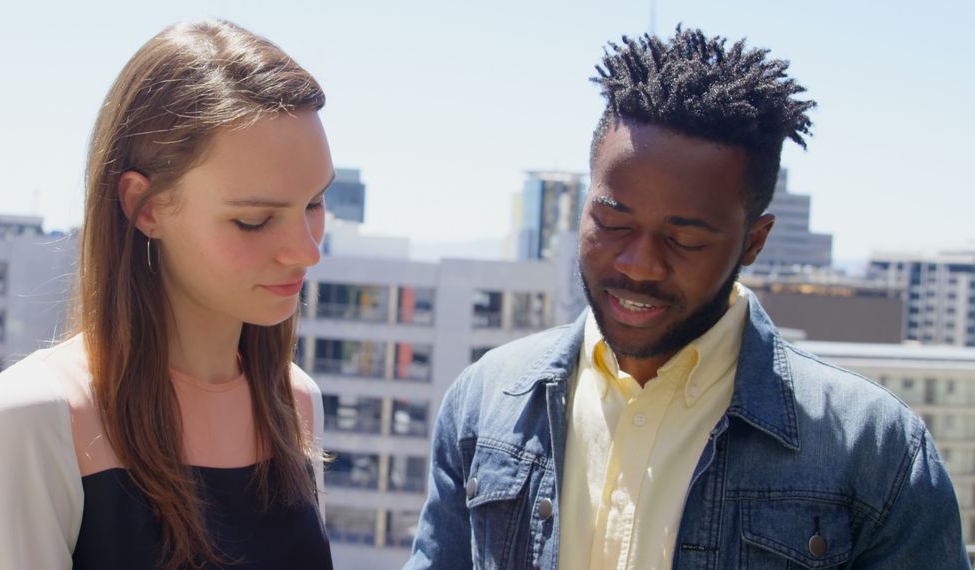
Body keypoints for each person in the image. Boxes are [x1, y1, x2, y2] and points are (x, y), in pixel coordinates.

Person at [407, 27, 968, 569]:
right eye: (612, 223)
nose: (640, 265)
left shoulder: (875, 448)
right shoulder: (487, 400)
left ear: (755, 240)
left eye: (686, 239)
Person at [0, 20, 334, 570]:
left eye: (315, 204)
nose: (306, 250)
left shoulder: (295, 403)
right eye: (254, 220)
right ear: (145, 206)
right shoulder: (36, 417)